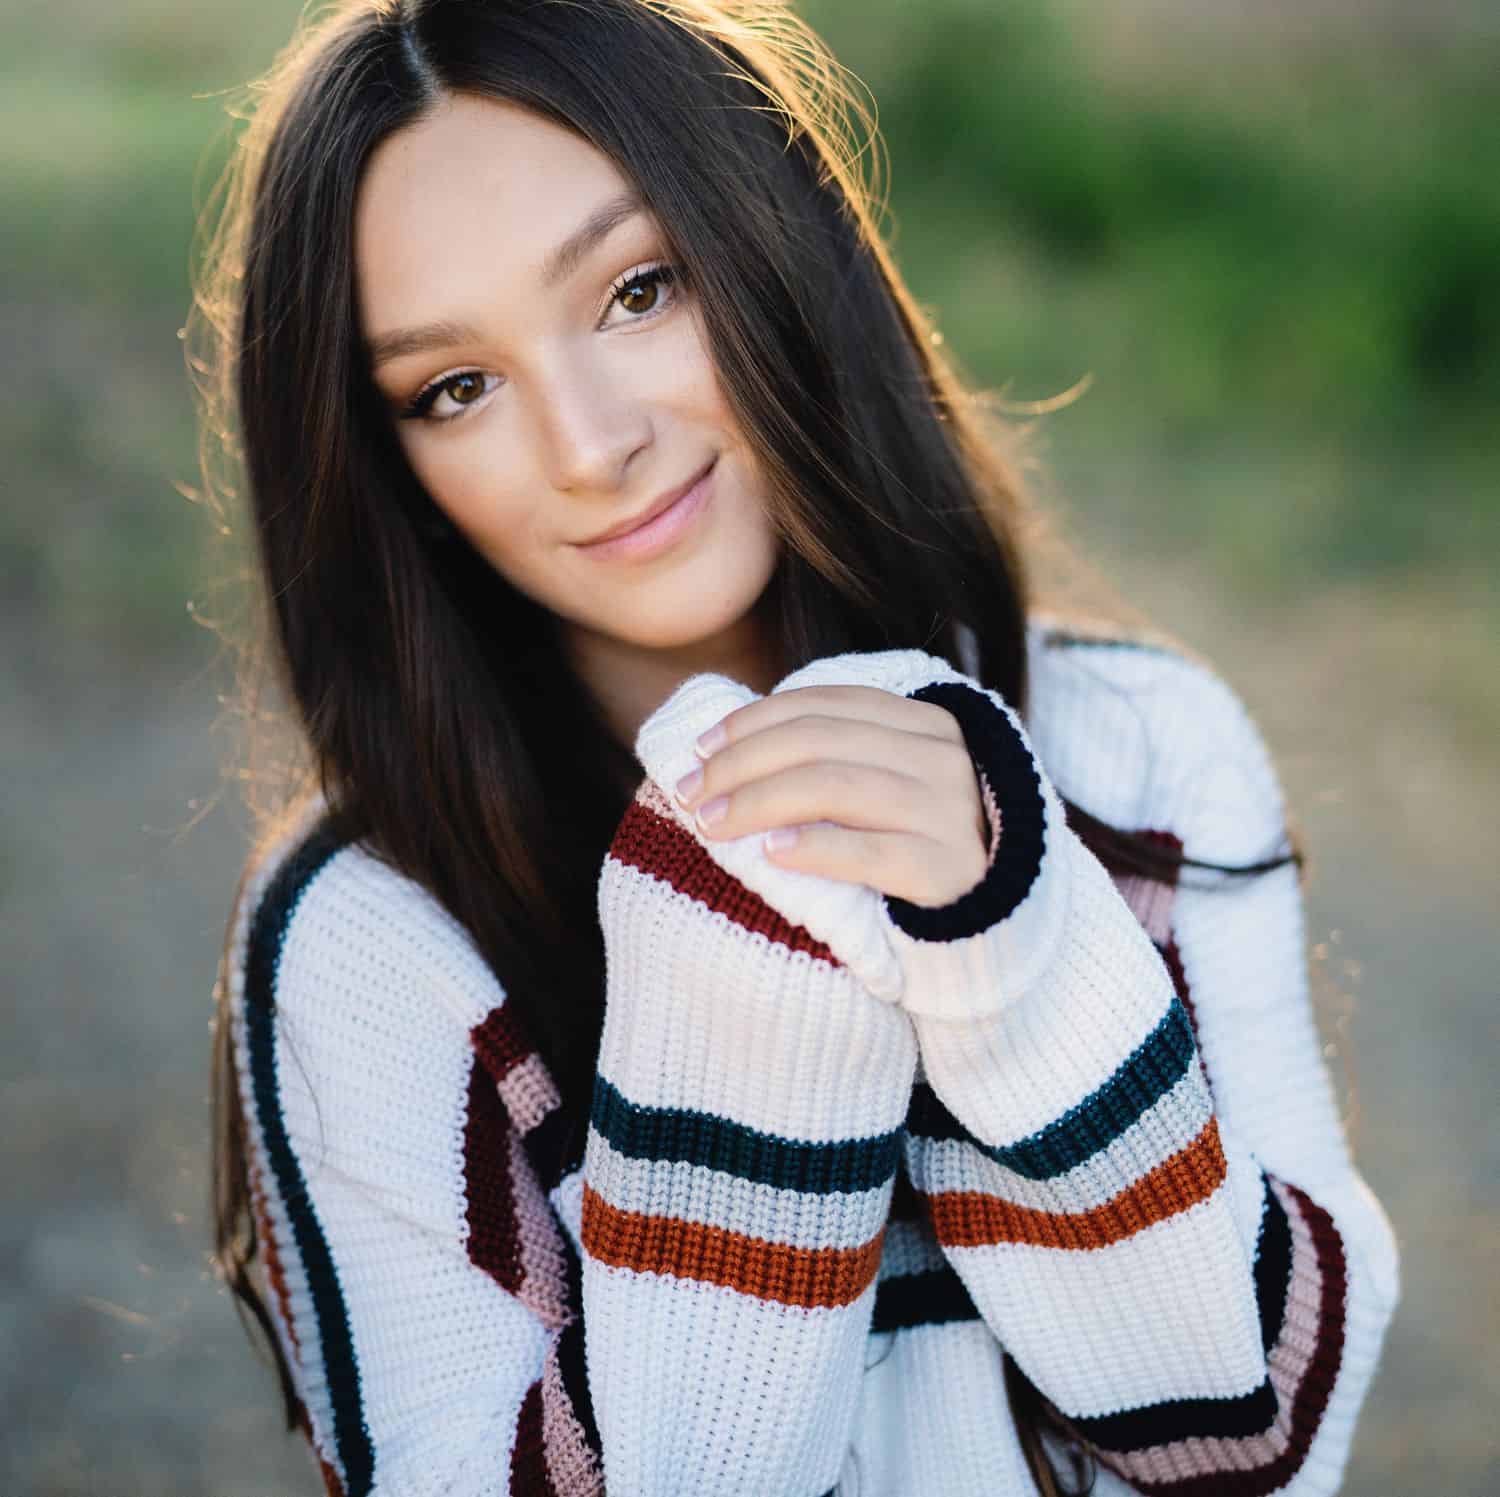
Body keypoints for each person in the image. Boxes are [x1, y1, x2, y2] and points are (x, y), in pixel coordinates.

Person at [191, 2, 1400, 1493]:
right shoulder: (369, 937)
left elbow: (1264, 1437)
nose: (587, 444)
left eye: (637, 290)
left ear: (773, 246)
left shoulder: (1147, 754)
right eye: (458, 387)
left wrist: (1006, 953)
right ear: (393, 468)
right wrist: (738, 994)